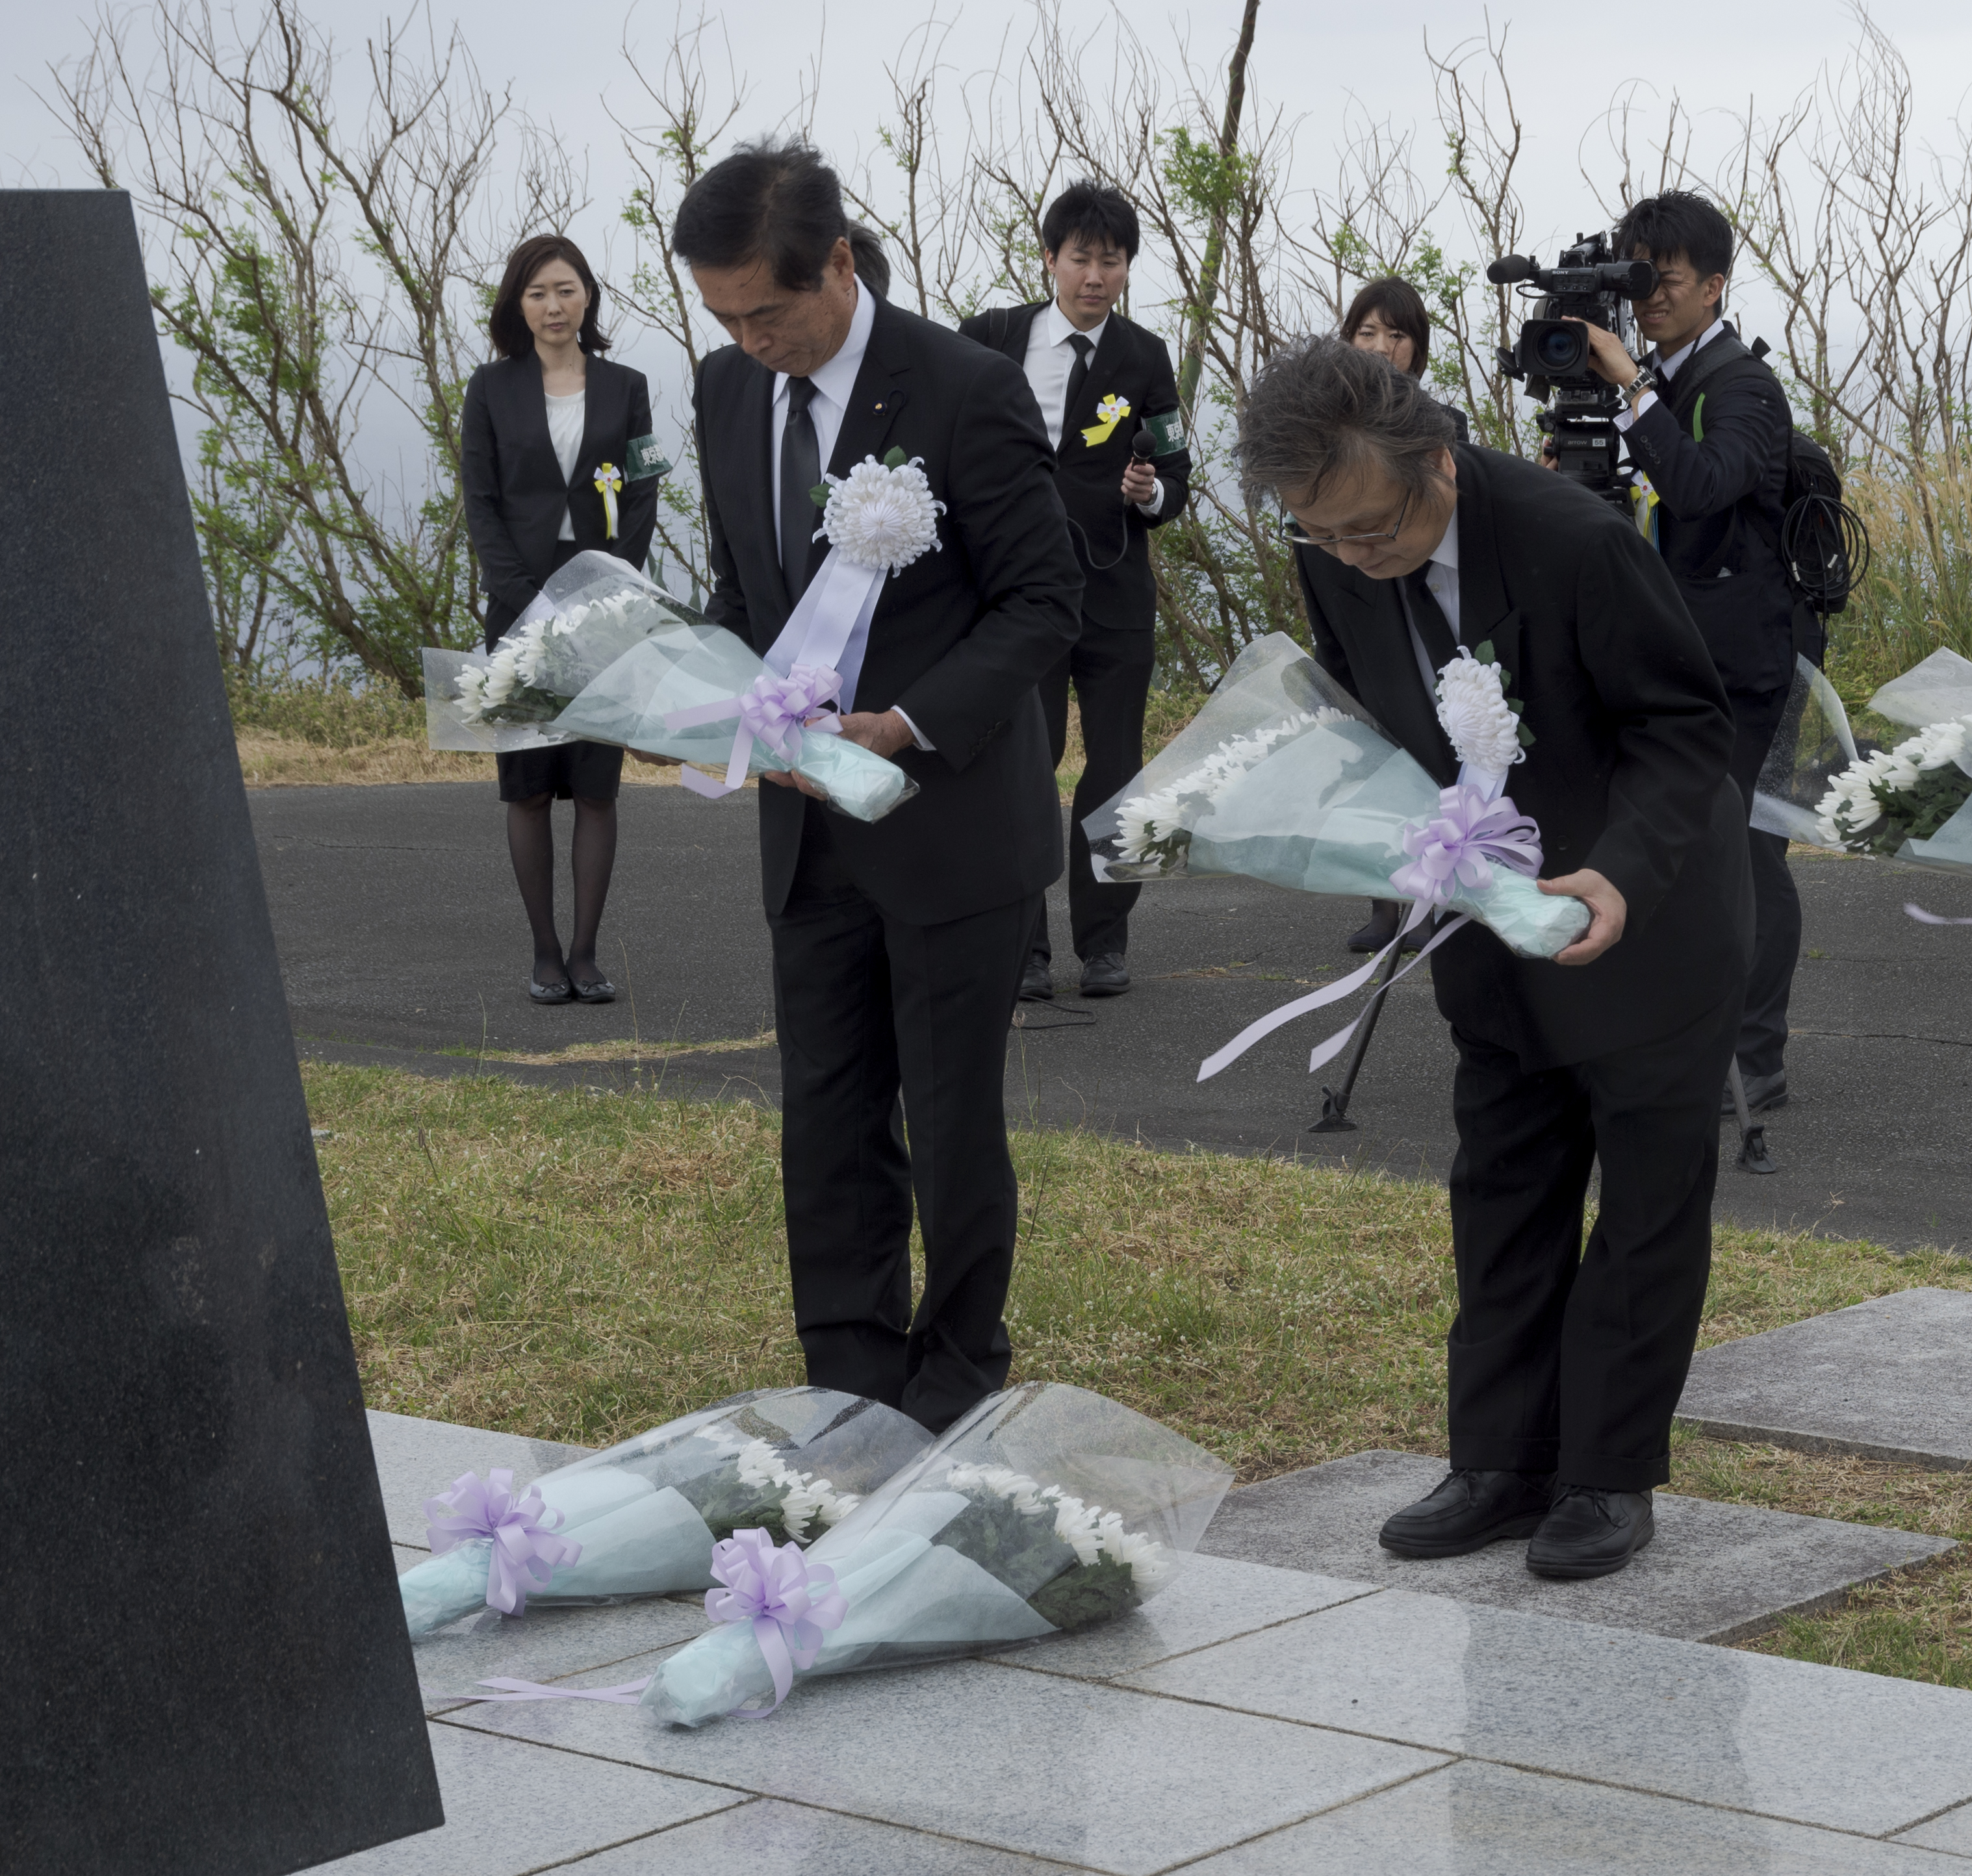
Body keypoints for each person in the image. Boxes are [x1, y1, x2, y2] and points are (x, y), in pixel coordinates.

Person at [1242, 336, 1752, 1582]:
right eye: (1325, 539)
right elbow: (1373, 716)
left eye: (1372, 528)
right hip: (1483, 919)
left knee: (1641, 1208)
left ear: (1439, 466)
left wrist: (1618, 876)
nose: (1355, 557)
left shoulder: (1573, 540)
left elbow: (1686, 731)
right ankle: (1498, 1458)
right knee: (1503, 1189)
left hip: (1641, 913)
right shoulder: (1340, 550)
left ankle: (1604, 1475)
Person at [674, 141, 1081, 1432]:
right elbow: (747, 583)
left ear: (838, 263)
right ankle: (846, 1376)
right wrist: (703, 686)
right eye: (724, 317)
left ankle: (958, 1371)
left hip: (948, 821)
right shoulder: (729, 392)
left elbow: (1042, 600)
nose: (749, 341)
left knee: (953, 1118)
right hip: (806, 827)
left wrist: (902, 723)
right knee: (829, 1106)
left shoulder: (962, 388)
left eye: (768, 312)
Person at [1564, 190, 1809, 1114]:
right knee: (1687, 847)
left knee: (1746, 854)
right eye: (1639, 282)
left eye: (1664, 282)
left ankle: (1756, 1054)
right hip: (1678, 658)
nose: (1649, 300)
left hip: (1741, 663)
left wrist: (1629, 386)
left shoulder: (1742, 384)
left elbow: (1704, 487)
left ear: (1714, 286)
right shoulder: (1667, 378)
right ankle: (1683, 1032)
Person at [958, 181, 1190, 1003]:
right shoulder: (990, 338)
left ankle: (1106, 940)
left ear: (1128, 266)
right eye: (1082, 257)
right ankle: (1023, 945)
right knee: (1026, 763)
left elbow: (1176, 477)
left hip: (1113, 594)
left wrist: (1147, 493)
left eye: (1113, 259)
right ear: (1050, 257)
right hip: (1016, 594)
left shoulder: (1145, 356)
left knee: (1118, 770)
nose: (1096, 274)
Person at [458, 234, 658, 1006]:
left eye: (567, 289)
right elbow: (481, 501)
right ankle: (544, 951)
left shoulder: (628, 386)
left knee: (597, 787)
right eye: (538, 292)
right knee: (530, 788)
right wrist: (527, 599)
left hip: (604, 606)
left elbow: (643, 488)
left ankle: (585, 952)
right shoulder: (489, 387)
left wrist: (612, 587)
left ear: (588, 298)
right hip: (519, 607)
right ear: (518, 302)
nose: (553, 305)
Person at [1338, 274, 1450, 957]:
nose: (1380, 347)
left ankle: (1436, 894)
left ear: (1417, 348)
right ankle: (1383, 902)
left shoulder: (1440, 425)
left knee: (1430, 743)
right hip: (1347, 597)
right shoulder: (1321, 419)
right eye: (1367, 332)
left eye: (1397, 334)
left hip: (1416, 597)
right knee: (1365, 744)